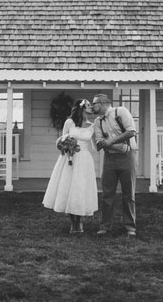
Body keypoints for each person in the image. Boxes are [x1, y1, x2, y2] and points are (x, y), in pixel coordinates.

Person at [42, 99, 98, 233]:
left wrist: (104, 140)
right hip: (69, 159)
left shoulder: (92, 125)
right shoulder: (69, 122)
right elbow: (62, 140)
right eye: (89, 106)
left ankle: (80, 221)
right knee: (69, 188)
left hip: (84, 160)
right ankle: (73, 222)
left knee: (80, 189)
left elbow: (96, 147)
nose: (91, 108)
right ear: (82, 108)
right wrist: (67, 147)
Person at [92, 93, 138, 237]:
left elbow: (131, 131)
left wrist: (111, 142)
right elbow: (99, 143)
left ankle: (130, 227)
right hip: (109, 159)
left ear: (104, 103)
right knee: (107, 194)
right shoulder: (97, 121)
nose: (93, 106)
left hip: (127, 157)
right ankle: (105, 226)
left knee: (128, 194)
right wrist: (117, 146)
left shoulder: (121, 112)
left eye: (95, 103)